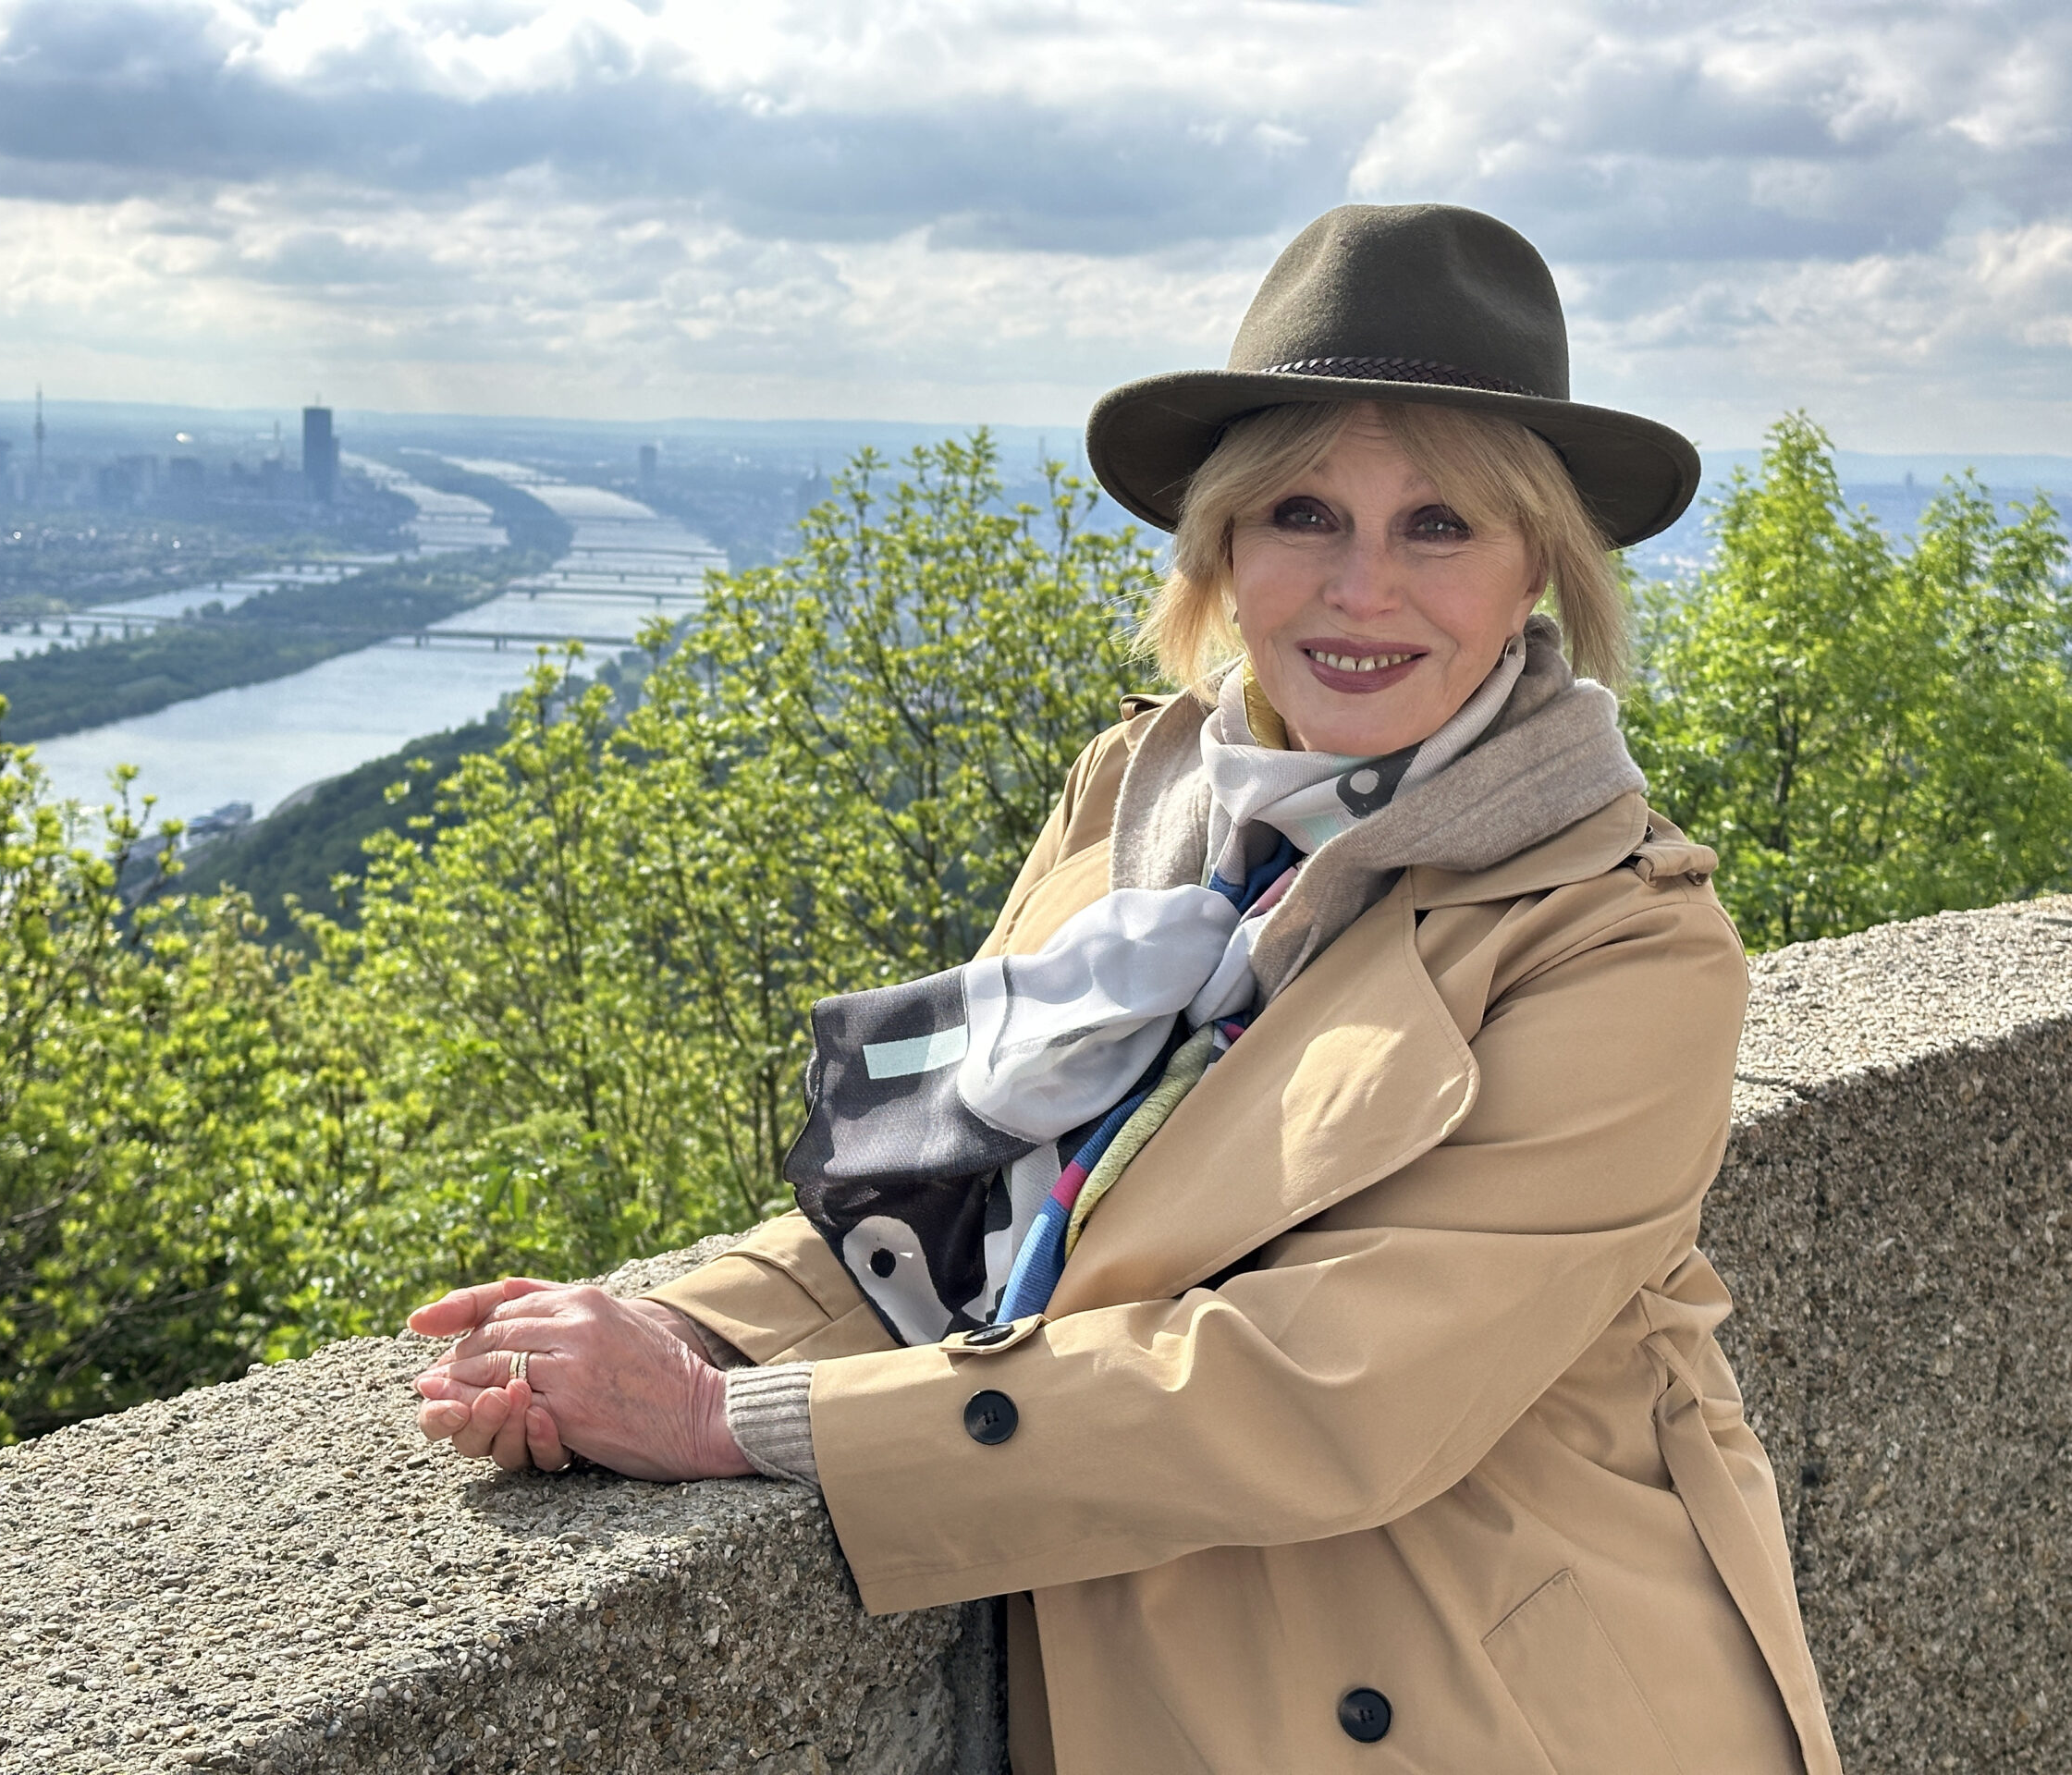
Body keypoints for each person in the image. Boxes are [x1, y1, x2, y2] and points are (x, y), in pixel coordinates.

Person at [407, 203, 1843, 1774]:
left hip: (1508, 1708)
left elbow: (1343, 1389)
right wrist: (652, 1332)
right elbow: (968, 1196)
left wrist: (724, 1426)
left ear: (1536, 577)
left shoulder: (1621, 938)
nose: (1363, 588)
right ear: (1223, 550)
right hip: (1155, 1674)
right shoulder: (1137, 801)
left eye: (1441, 526)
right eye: (1304, 513)